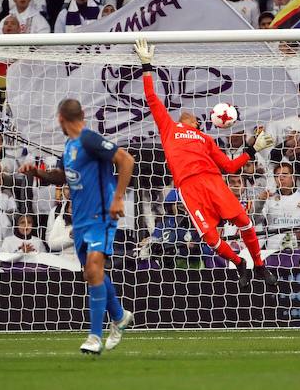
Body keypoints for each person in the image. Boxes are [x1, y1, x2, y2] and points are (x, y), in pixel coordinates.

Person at [133, 38, 277, 287]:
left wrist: (252, 150)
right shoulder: (168, 128)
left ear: (198, 124)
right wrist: (147, 66)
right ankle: (239, 263)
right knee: (210, 238)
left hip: (213, 181)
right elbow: (152, 98)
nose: (189, 114)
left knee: (243, 221)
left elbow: (230, 168)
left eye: (196, 117)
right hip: (188, 189)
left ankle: (260, 265)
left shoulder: (205, 138)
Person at [18, 98, 135, 355]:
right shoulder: (69, 145)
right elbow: (61, 177)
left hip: (101, 216)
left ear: (60, 119)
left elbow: (126, 160)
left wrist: (117, 198)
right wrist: (37, 173)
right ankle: (119, 316)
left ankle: (94, 337)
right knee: (92, 273)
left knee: (94, 267)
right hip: (80, 220)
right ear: (81, 114)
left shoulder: (89, 139)